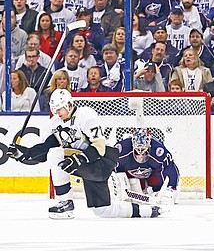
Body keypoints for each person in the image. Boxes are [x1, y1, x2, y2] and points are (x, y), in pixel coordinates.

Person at [7, 89, 162, 219]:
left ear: (69, 104)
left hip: (101, 161)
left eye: (59, 108)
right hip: (84, 162)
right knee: (103, 210)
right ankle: (147, 211)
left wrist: (79, 159)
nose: (57, 113)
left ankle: (66, 203)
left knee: (58, 154)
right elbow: (45, 149)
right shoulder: (55, 123)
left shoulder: (85, 115)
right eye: (54, 109)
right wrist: (24, 154)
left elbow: (99, 146)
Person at [115, 128, 180, 204]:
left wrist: (171, 186)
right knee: (133, 200)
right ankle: (123, 192)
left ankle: (163, 190)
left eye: (143, 149)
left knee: (165, 166)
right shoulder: (122, 149)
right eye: (137, 149)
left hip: (151, 175)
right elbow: (112, 168)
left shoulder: (158, 150)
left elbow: (170, 167)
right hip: (133, 179)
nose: (140, 152)